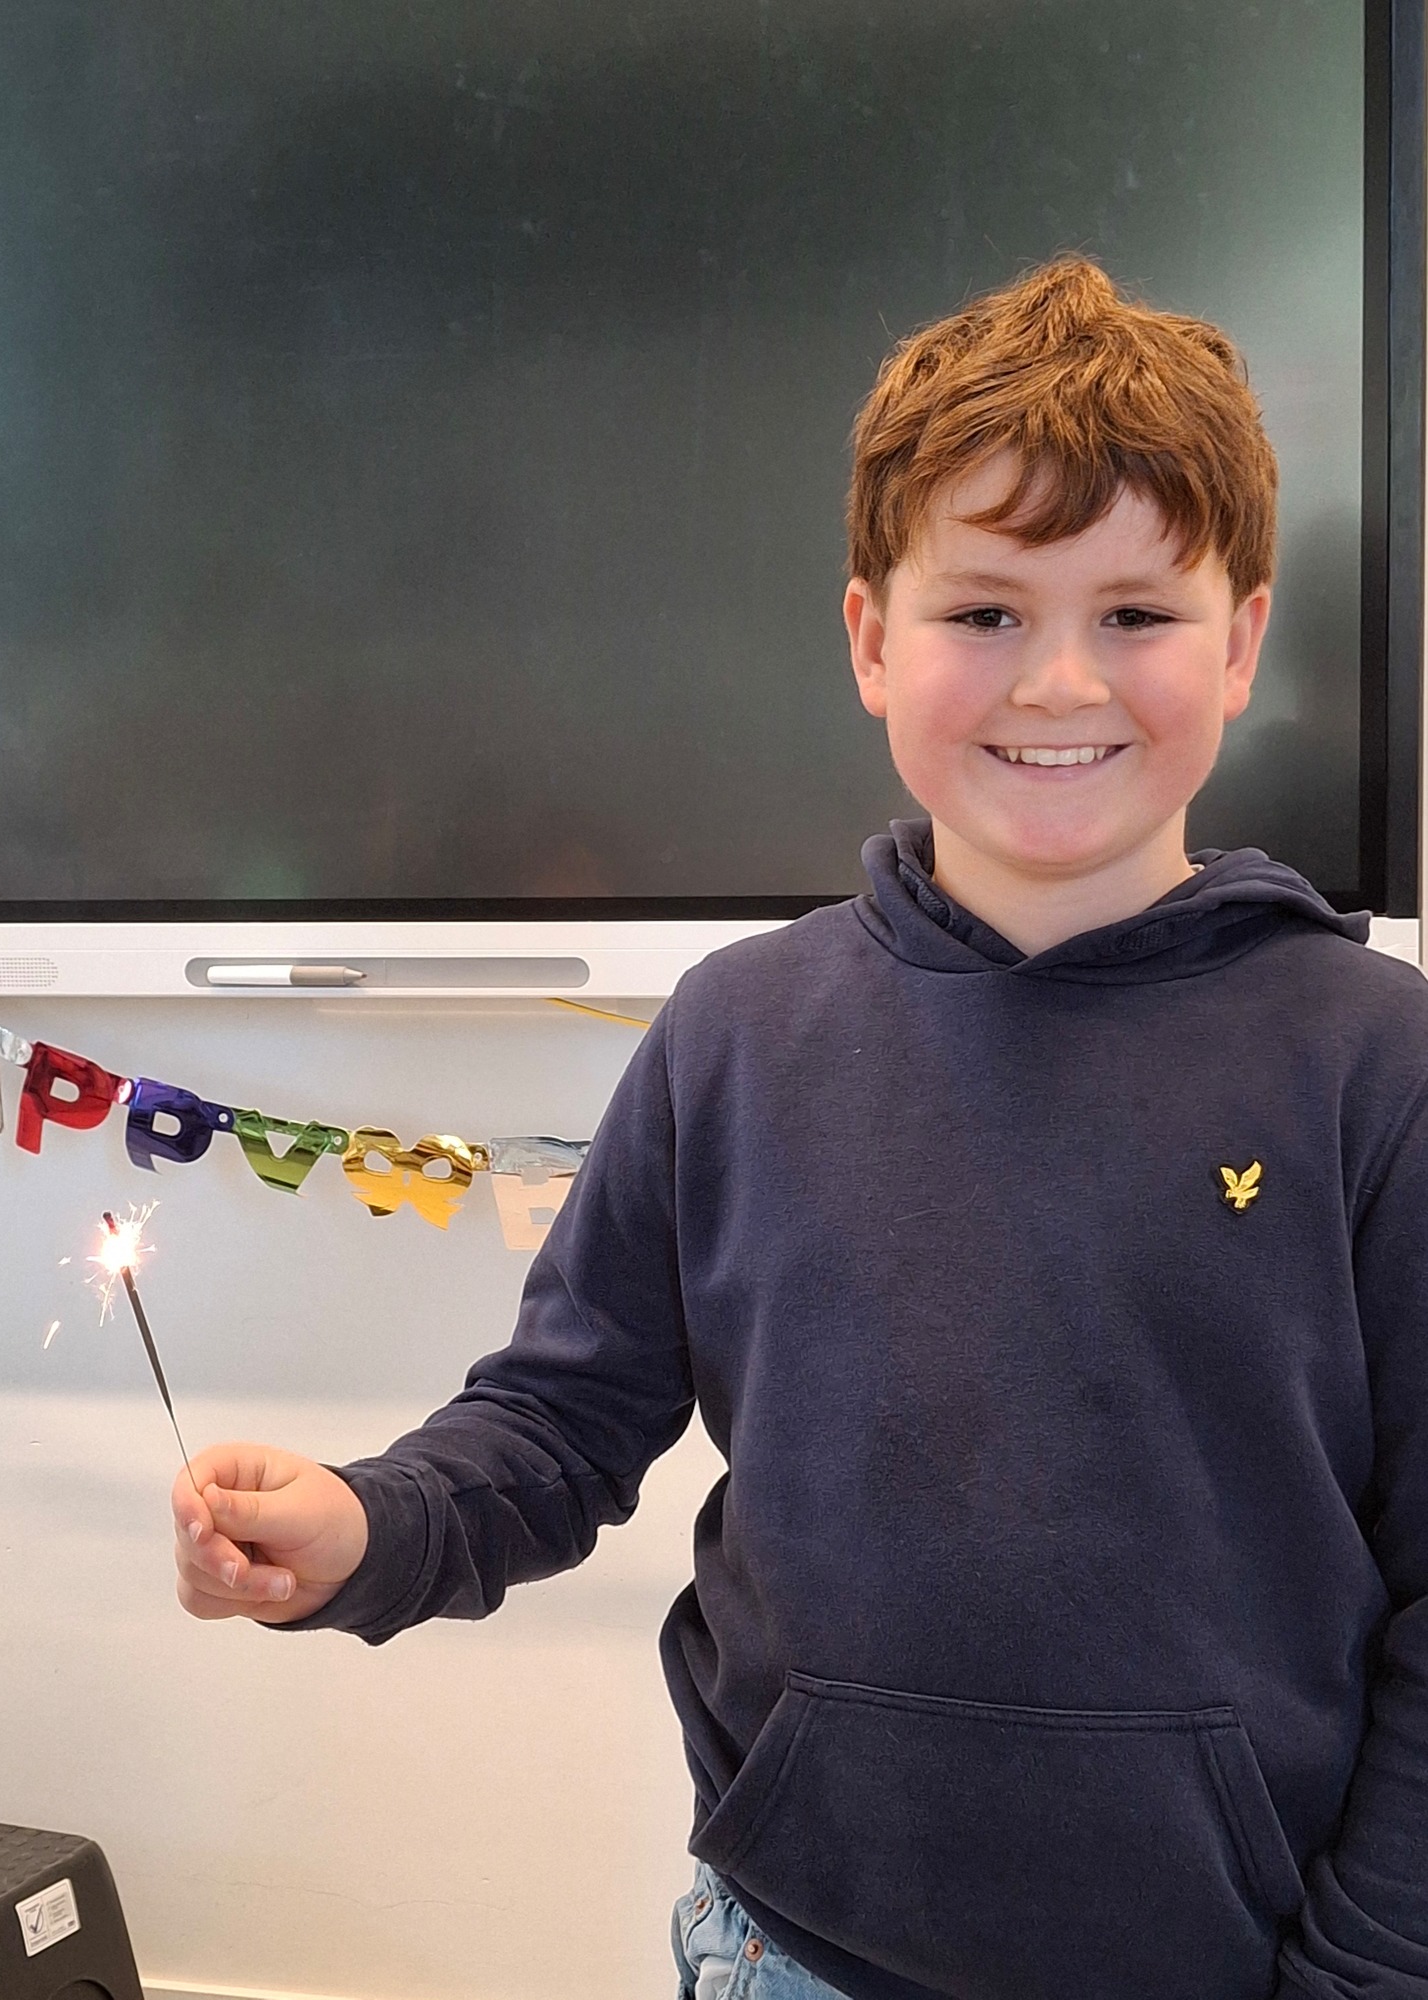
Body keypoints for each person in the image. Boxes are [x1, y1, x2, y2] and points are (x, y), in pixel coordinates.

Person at [171, 255, 1428, 1999]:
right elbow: (560, 1420)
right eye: (985, 613)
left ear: (1243, 645)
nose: (1061, 682)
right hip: (786, 1957)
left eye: (1137, 614)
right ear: (869, 642)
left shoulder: (1376, 1066)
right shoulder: (736, 1033)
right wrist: (369, 1527)